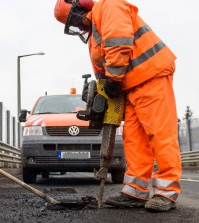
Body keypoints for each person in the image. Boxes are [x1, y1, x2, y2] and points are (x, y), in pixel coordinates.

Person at [54, 0, 181, 212]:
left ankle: (166, 193)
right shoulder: (94, 34)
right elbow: (99, 69)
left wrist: (112, 79)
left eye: (75, 20)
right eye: (73, 25)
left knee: (160, 135)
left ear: (81, 7)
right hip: (129, 85)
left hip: (151, 75)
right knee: (134, 138)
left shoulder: (108, 6)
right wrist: (103, 91)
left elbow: (119, 42)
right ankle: (135, 192)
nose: (79, 27)